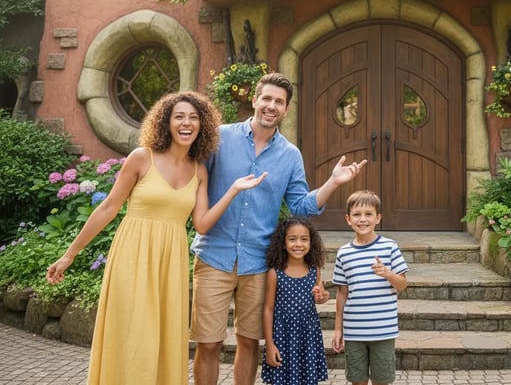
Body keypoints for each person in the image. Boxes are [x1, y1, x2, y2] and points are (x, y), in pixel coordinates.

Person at [46, 91, 266, 385]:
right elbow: (108, 208)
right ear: (166, 122)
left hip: (170, 263)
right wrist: (69, 254)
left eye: (193, 118)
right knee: (131, 333)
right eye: (179, 117)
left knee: (162, 337)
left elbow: (201, 224)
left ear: (202, 125)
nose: (187, 123)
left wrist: (233, 190)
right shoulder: (142, 158)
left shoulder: (199, 170)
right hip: (132, 257)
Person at [191, 71, 366, 385]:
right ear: (255, 100)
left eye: (279, 102)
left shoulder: (290, 155)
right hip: (213, 255)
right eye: (267, 98)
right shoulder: (220, 138)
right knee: (208, 343)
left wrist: (332, 183)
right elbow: (193, 180)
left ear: (286, 110)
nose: (271, 106)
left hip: (258, 262)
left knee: (248, 341)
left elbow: (300, 206)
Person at [331, 190, 408, 385]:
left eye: (368, 214)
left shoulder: (390, 247)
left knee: (382, 381)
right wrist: (338, 330)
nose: (362, 219)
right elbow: (342, 294)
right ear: (348, 219)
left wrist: (388, 273)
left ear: (378, 218)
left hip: (383, 331)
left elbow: (402, 285)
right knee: (357, 380)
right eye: (357, 214)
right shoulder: (344, 253)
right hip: (354, 332)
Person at [261, 217, 329, 385]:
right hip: (283, 337)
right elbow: (268, 309)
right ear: (283, 243)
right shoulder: (275, 272)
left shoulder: (315, 269)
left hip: (308, 336)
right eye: (292, 239)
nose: (298, 244)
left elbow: (319, 298)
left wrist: (323, 296)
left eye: (304, 239)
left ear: (311, 242)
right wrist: (269, 345)